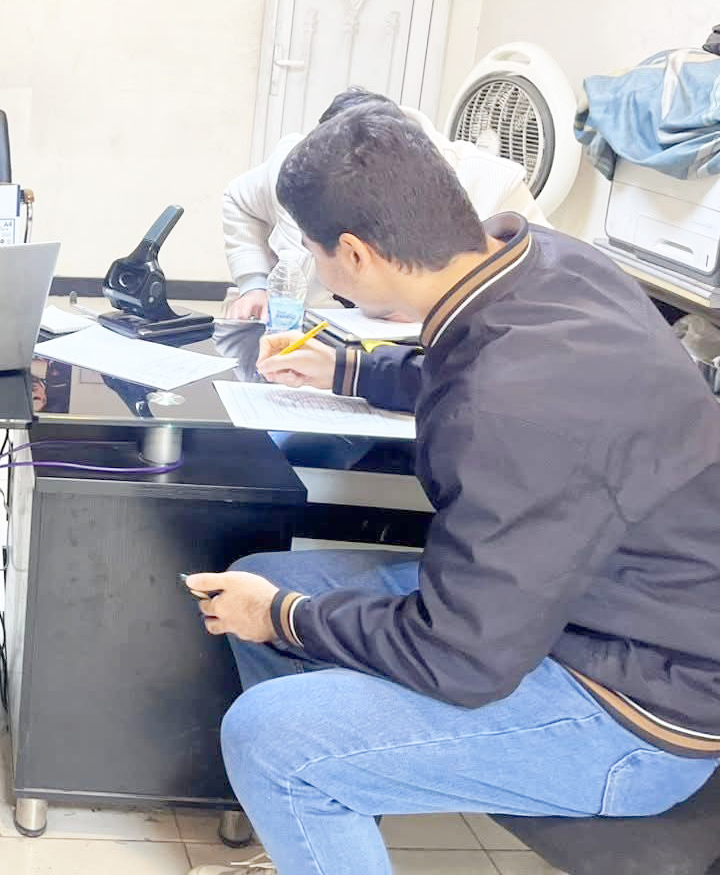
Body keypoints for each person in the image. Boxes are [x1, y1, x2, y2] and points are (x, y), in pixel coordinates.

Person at [183, 107, 720, 875]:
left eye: (313, 249)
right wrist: (352, 369)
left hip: (635, 708)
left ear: (355, 254)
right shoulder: (549, 262)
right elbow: (479, 368)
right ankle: (320, 837)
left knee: (268, 733)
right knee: (268, 579)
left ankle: (307, 785)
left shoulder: (504, 411)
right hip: (581, 604)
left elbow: (463, 658)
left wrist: (284, 617)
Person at [222, 88, 548, 324]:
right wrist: (254, 284)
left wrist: (429, 304)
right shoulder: (302, 173)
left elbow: (536, 283)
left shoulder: (491, 179)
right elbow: (238, 201)